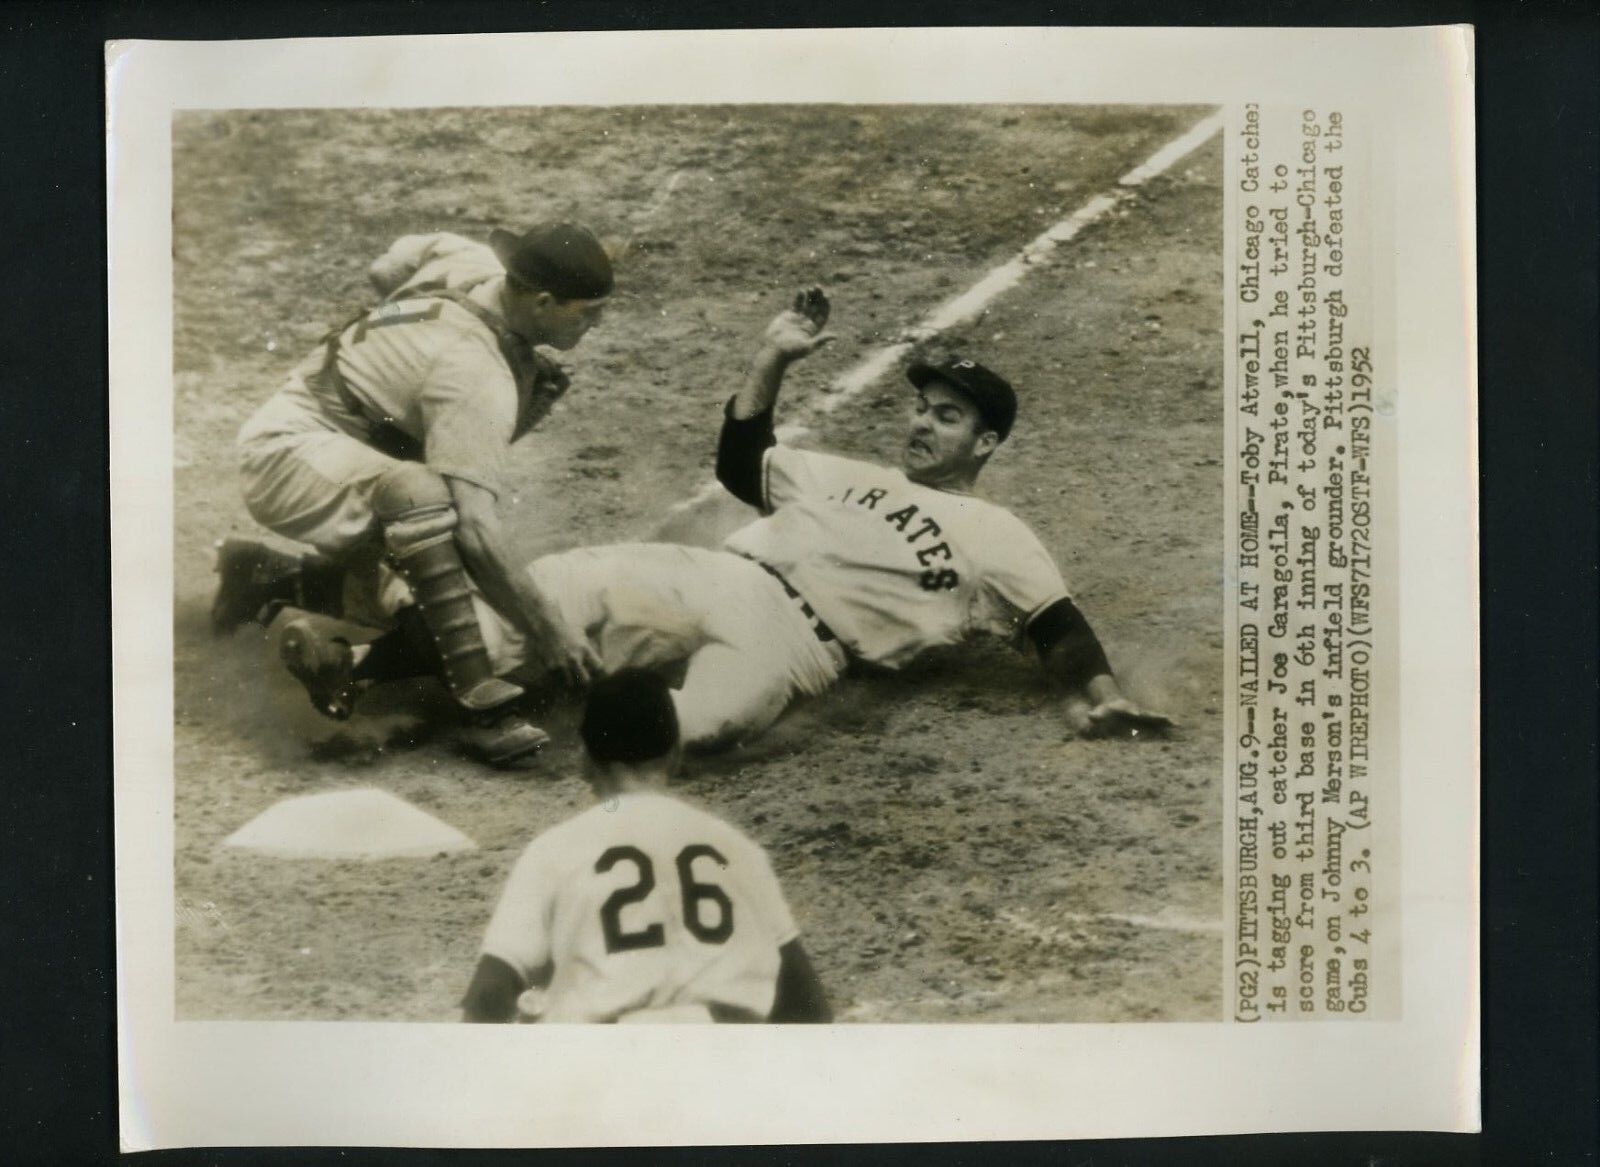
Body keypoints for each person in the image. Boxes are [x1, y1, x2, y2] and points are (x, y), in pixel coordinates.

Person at [292, 287, 1171, 751]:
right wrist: (773, 356)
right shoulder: (839, 471)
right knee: (547, 597)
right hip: (713, 571)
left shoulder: (999, 534)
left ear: (985, 443)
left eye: (947, 416)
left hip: (799, 640)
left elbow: (1059, 626)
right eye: (922, 407)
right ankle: (353, 660)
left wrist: (1104, 696)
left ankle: (564, 703)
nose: (921, 422)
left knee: (706, 729)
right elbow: (742, 459)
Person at [210, 225, 613, 766]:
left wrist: (398, 368)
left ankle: (268, 578)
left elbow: (386, 268)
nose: (596, 324)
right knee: (428, 505)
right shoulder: (477, 375)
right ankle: (482, 711)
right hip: (286, 458)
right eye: (587, 312)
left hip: (324, 440)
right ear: (541, 301)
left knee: (444, 592)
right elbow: (475, 527)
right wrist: (549, 630)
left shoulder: (463, 259)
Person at [461, 669, 831, 1024]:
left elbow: (488, 995)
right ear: (675, 754)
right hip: (723, 1059)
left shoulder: (551, 851)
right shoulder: (738, 850)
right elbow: (809, 1006)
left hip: (611, 1066)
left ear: (586, 759)